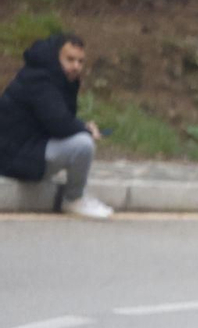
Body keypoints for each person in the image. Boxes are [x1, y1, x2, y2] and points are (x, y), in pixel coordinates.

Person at [0, 33, 113, 218]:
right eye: (70, 59)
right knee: (83, 144)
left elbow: (58, 118)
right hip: (13, 157)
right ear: (56, 57)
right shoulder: (40, 79)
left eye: (80, 61)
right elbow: (59, 123)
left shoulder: (54, 76)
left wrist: (80, 126)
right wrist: (86, 129)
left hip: (22, 150)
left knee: (80, 137)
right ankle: (74, 200)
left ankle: (77, 196)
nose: (76, 66)